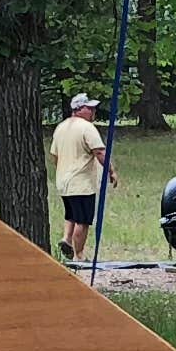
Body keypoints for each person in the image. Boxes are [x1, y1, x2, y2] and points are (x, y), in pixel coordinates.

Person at [50, 91, 109, 265]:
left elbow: (54, 155)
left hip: (64, 182)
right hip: (82, 183)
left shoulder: (60, 128)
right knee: (83, 221)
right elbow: (99, 151)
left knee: (71, 214)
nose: (93, 112)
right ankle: (79, 255)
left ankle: (66, 239)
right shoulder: (86, 128)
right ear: (79, 109)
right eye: (89, 108)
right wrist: (111, 171)